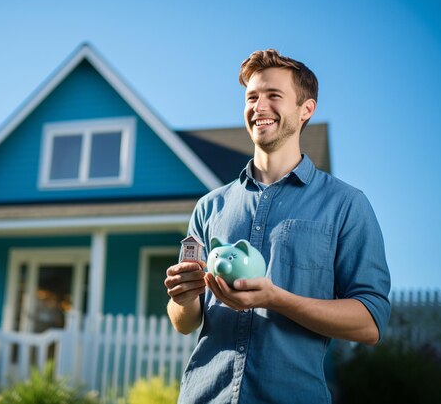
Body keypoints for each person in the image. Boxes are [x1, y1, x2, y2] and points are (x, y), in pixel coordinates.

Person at [164, 49, 391, 404]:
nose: (259, 106)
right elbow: (185, 322)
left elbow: (371, 323)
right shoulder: (210, 207)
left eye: (274, 96)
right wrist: (183, 297)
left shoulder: (346, 205)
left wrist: (278, 300)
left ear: (306, 110)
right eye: (252, 97)